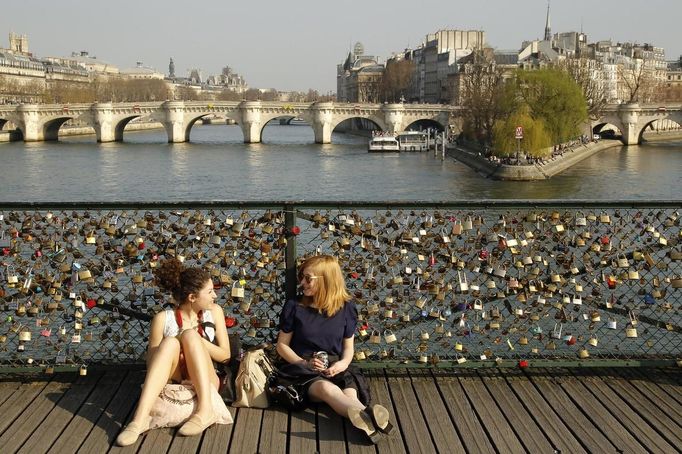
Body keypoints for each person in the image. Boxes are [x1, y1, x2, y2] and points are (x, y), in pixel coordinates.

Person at [276, 254, 394, 444]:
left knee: (349, 393)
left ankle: (366, 420)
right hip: (303, 369)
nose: (302, 283)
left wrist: (342, 364)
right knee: (326, 389)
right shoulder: (294, 306)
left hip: (335, 365)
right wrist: (304, 363)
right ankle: (372, 417)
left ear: (327, 280)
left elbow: (348, 348)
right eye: (301, 277)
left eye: (308, 279)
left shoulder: (346, 308)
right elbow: (281, 346)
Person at [116, 259, 232, 446]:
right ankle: (139, 420)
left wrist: (194, 340)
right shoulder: (163, 319)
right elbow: (152, 364)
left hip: (207, 378)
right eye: (210, 292)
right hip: (176, 380)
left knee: (189, 336)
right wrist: (177, 347)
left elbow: (225, 355)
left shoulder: (215, 312)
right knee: (170, 342)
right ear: (192, 297)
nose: (215, 296)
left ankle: (205, 410)